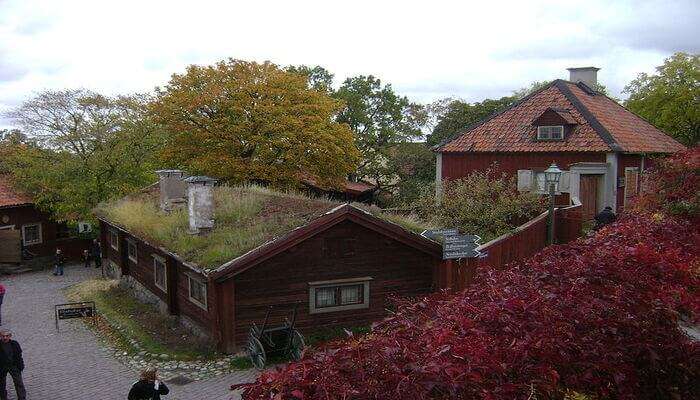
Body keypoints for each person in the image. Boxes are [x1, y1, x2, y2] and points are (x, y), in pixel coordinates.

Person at [0, 330, 26, 400]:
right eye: (3, 336)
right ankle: (3, 397)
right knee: (1, 384)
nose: (5, 338)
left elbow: (19, 355)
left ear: (10, 336)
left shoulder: (15, 344)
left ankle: (22, 398)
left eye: (7, 336)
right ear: (0, 336)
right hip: (1, 367)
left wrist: (21, 365)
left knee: (19, 382)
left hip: (13, 366)